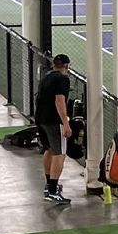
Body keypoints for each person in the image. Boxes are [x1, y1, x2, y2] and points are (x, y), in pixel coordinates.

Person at [34, 53, 75, 203]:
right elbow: (59, 101)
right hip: (53, 121)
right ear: (66, 65)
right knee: (60, 153)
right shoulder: (63, 79)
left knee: (49, 149)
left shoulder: (47, 76)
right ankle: (52, 191)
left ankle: (49, 184)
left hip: (41, 118)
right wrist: (65, 123)